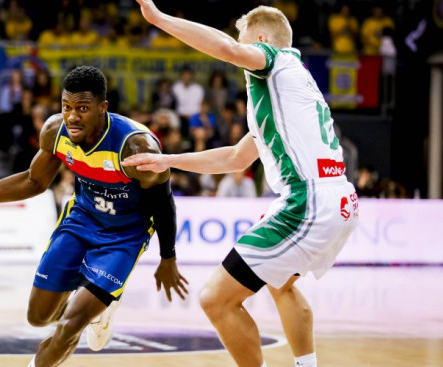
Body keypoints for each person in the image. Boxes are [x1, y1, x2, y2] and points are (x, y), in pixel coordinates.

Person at [125, 3, 359, 367]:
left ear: (262, 40)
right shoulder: (290, 89)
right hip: (340, 199)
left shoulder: (275, 60)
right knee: (282, 284)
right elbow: (235, 158)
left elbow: (228, 50)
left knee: (215, 298)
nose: (241, 52)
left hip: (307, 201)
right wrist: (168, 161)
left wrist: (158, 19)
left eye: (245, 42)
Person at [0, 65, 188, 367]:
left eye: (82, 108)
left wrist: (168, 258)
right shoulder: (55, 130)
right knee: (38, 318)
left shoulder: (137, 148)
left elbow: (163, 205)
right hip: (81, 220)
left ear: (103, 108)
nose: (72, 116)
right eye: (67, 107)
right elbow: (34, 181)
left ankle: (92, 310)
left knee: (69, 325)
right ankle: (99, 308)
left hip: (124, 237)